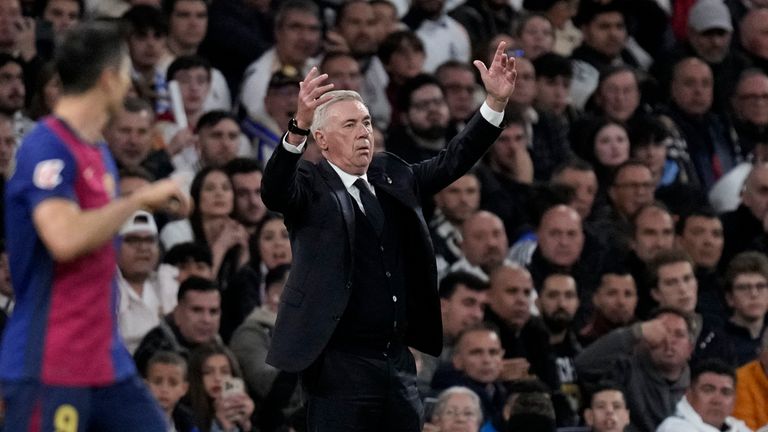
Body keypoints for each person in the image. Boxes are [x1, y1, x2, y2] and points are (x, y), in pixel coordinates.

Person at [261, 41, 517, 431]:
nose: (363, 131)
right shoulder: (310, 185)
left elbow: (453, 160)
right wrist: (297, 128)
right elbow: (275, 191)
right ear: (322, 140)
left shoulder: (392, 175)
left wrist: (494, 104)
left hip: (396, 359)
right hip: (337, 362)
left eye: (365, 122)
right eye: (349, 125)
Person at [0, 21, 188, 430]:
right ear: (108, 79)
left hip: (106, 362)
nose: (128, 85)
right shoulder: (45, 146)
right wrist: (137, 200)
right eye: (124, 74)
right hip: (51, 362)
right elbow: (64, 238)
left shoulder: (97, 150)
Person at [656, 359, 751, 432]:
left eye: (725, 392)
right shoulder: (674, 428)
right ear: (689, 394)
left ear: (734, 401)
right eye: (708, 390)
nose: (717, 400)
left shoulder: (739, 427)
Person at [187, 343, 255, 432]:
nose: (217, 378)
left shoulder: (245, 411)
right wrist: (223, 425)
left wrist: (246, 425)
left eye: (225, 372)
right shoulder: (185, 417)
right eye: (208, 372)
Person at [144, 351, 199, 432]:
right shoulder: (129, 422)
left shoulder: (189, 424)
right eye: (157, 382)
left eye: (173, 383)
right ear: (145, 386)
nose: (164, 389)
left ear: (184, 389)